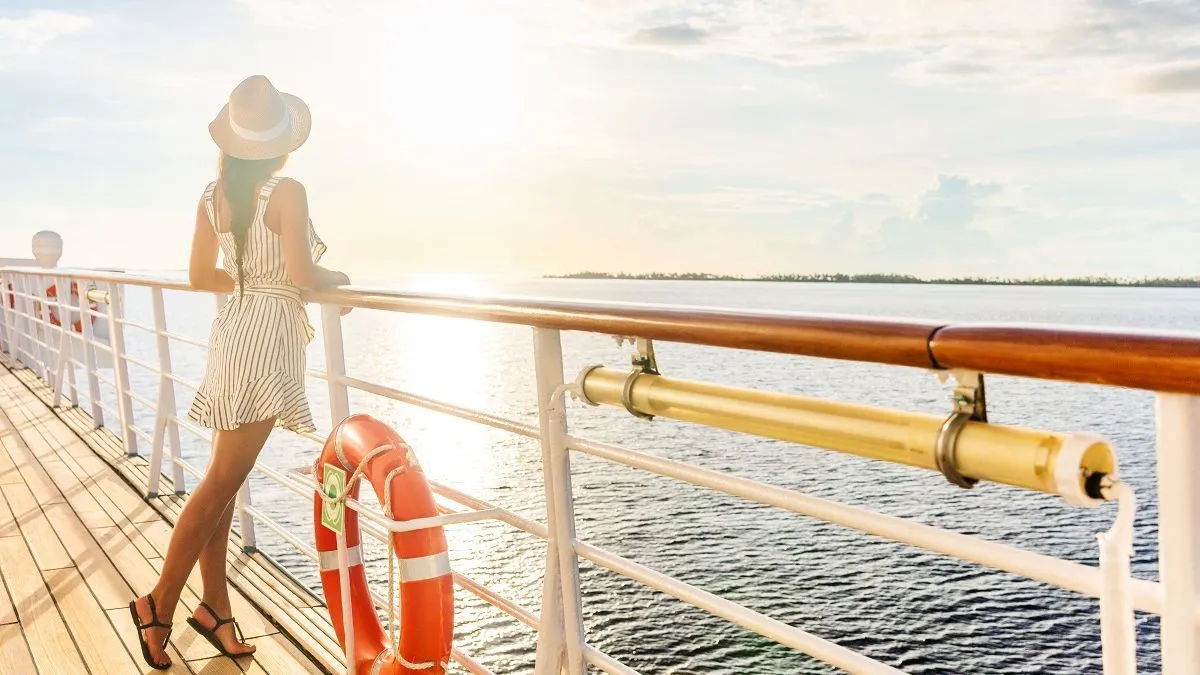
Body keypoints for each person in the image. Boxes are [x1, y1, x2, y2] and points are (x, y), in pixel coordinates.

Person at [129, 75, 350, 670]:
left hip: (233, 332)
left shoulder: (213, 194)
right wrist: (336, 282)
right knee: (220, 483)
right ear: (281, 142)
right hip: (269, 336)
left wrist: (251, 286)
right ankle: (158, 603)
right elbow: (304, 275)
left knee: (224, 482)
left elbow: (202, 276)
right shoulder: (288, 190)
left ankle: (215, 608)